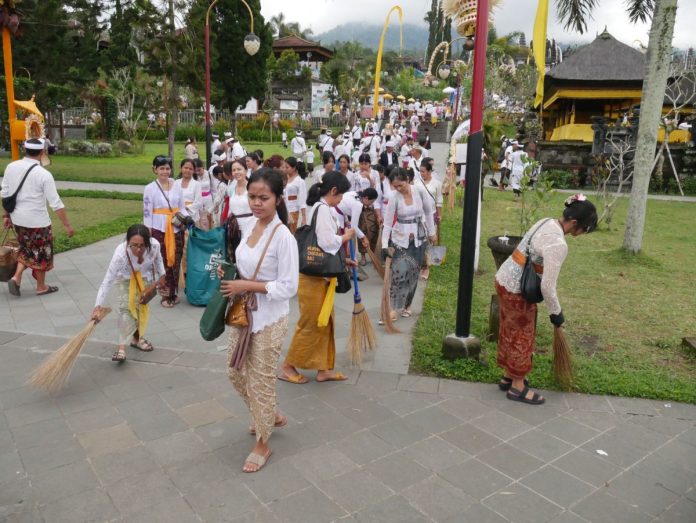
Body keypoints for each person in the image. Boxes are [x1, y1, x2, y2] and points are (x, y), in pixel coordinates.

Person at [220, 168, 299, 472]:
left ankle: (263, 442)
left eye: (263, 198)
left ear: (278, 198)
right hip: (244, 314)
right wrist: (232, 278)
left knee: (262, 381)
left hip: (270, 318)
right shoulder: (250, 224)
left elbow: (288, 287)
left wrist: (247, 286)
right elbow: (246, 266)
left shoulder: (284, 238)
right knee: (234, 372)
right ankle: (270, 414)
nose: (256, 203)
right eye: (252, 196)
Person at [495, 195, 598, 405]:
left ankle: (508, 376)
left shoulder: (545, 221)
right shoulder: (558, 244)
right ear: (575, 223)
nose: (584, 233)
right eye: (586, 228)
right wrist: (556, 314)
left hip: (503, 280)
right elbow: (547, 286)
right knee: (523, 335)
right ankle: (517, 387)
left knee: (509, 329)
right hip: (518, 291)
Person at [279, 172, 357, 384]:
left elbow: (326, 246)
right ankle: (287, 365)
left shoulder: (323, 209)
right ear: (333, 191)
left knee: (325, 322)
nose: (342, 199)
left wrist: (343, 261)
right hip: (313, 279)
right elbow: (326, 242)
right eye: (341, 195)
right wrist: (345, 237)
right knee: (311, 323)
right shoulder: (322, 210)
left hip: (321, 277)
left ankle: (324, 368)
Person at [2, 138, 74, 297]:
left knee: (27, 249)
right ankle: (40, 286)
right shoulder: (44, 174)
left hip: (18, 220)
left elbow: (5, 194)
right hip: (38, 222)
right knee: (42, 253)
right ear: (42, 152)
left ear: (24, 150)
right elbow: (55, 203)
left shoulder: (11, 167)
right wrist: (67, 226)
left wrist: (7, 215)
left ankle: (16, 277)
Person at [92, 224, 166, 362]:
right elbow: (107, 281)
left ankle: (137, 340)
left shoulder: (154, 246)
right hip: (124, 279)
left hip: (144, 279)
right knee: (126, 310)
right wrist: (98, 306)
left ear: (148, 242)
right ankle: (121, 349)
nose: (138, 249)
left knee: (140, 310)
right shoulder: (120, 254)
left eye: (142, 245)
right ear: (127, 242)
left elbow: (158, 261)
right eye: (134, 245)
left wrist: (162, 276)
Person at [381, 168, 436, 321]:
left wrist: (432, 232)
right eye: (395, 186)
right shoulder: (394, 198)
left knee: (413, 274)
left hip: (419, 239)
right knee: (399, 274)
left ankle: (407, 305)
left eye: (401, 185)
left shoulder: (419, 191)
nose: (398, 189)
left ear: (407, 179)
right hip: (400, 240)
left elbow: (429, 212)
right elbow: (387, 223)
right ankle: (393, 307)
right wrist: (385, 244)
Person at [143, 155, 186, 308]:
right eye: (161, 168)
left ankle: (174, 293)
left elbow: (181, 208)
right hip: (159, 229)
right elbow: (147, 213)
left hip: (176, 228)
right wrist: (148, 234)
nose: (165, 171)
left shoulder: (177, 186)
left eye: (167, 168)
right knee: (163, 262)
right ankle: (165, 295)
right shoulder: (150, 188)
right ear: (155, 169)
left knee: (176, 261)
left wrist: (186, 222)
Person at [417, 161, 443, 281]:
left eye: (423, 171)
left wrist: (439, 214)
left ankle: (426, 267)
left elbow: (439, 199)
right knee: (420, 241)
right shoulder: (417, 183)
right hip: (418, 215)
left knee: (429, 241)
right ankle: (420, 263)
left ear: (429, 171)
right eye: (420, 171)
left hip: (431, 215)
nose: (421, 173)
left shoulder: (437, 184)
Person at [282, 156, 307, 234]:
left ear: (294, 168)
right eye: (284, 167)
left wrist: (304, 218)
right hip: (282, 210)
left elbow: (302, 200)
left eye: (287, 167)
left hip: (293, 210)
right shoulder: (283, 179)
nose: (285, 169)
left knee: (291, 233)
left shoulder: (300, 181)